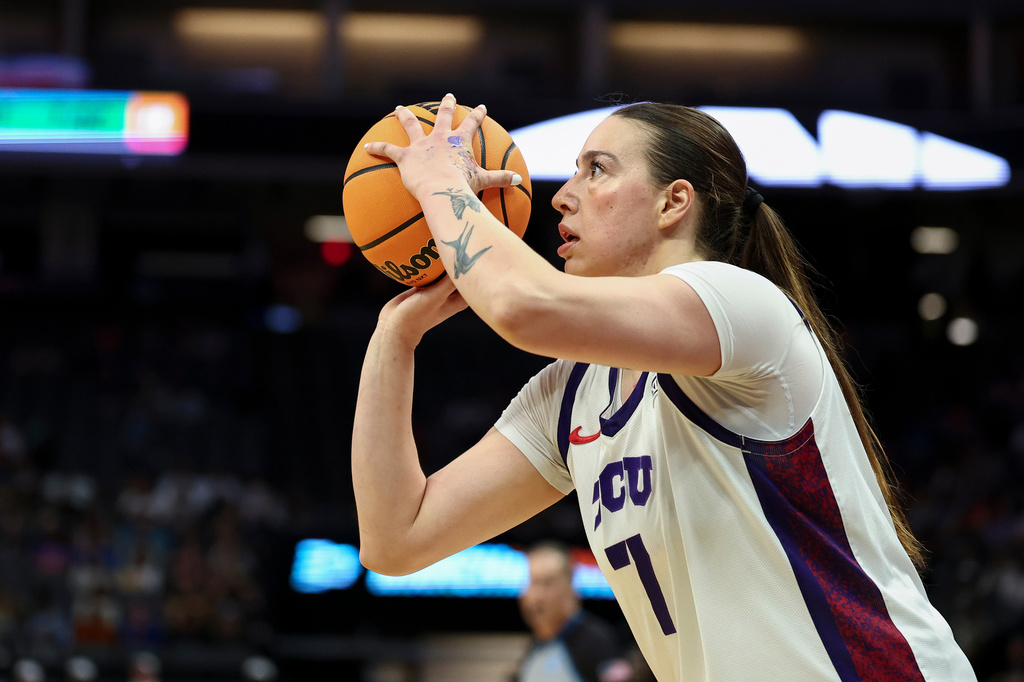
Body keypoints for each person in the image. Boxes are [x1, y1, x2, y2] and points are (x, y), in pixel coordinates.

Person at [352, 93, 977, 680]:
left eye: (596, 170)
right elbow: (395, 539)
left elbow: (521, 308)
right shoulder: (571, 397)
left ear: (673, 202)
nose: (562, 196)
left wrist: (439, 181)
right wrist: (393, 338)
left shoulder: (742, 305)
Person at [516, 541, 633, 682]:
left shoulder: (595, 641)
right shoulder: (536, 647)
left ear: (570, 587)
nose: (536, 597)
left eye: (547, 583)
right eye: (532, 583)